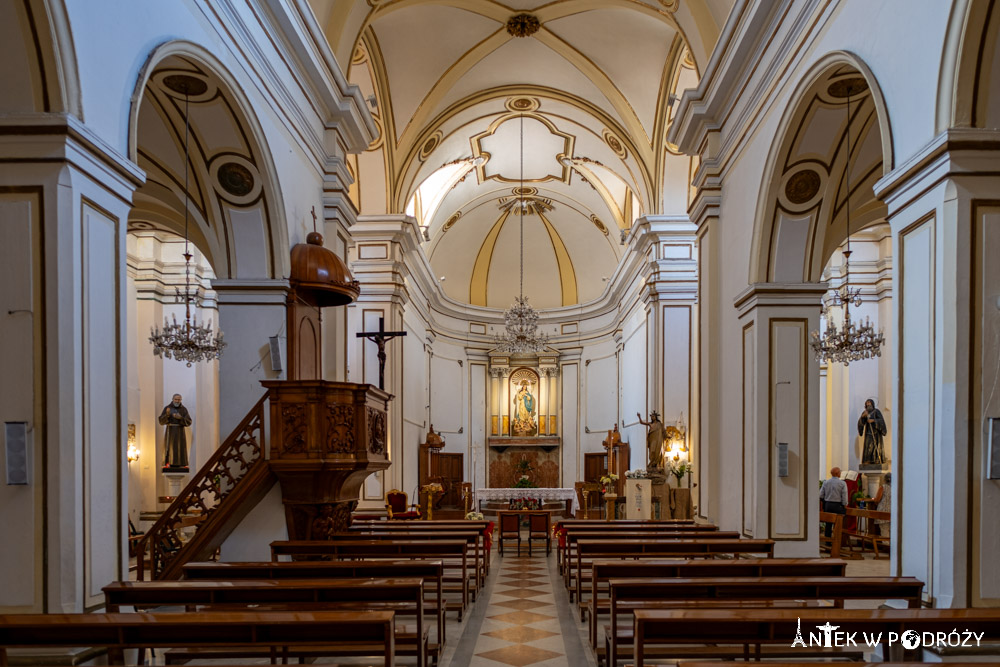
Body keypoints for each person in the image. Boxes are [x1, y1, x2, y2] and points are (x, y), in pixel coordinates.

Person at [159, 393, 192, 469]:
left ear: (181, 400)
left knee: (180, 447)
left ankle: (181, 463)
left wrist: (180, 418)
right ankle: (169, 462)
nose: (177, 401)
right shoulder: (167, 408)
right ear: (173, 399)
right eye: (176, 399)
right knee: (170, 447)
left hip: (180, 432)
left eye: (179, 399)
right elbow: (161, 422)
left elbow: (189, 422)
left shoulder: (184, 409)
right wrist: (167, 415)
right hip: (170, 431)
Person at [819, 467, 848, 537]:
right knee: (838, 524)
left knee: (828, 524)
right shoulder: (842, 483)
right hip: (838, 506)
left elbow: (821, 495)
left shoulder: (826, 482)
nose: (840, 473)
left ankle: (827, 541)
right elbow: (844, 495)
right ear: (837, 473)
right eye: (840, 472)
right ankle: (837, 541)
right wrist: (845, 505)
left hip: (828, 505)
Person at [858, 398, 887, 465]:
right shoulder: (865, 412)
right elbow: (860, 423)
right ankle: (868, 460)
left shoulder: (876, 411)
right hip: (868, 432)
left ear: (872, 403)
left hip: (876, 433)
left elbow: (881, 421)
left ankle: (877, 459)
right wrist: (862, 417)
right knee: (868, 446)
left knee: (876, 446)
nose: (868, 404)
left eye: (869, 402)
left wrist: (873, 420)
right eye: (866, 403)